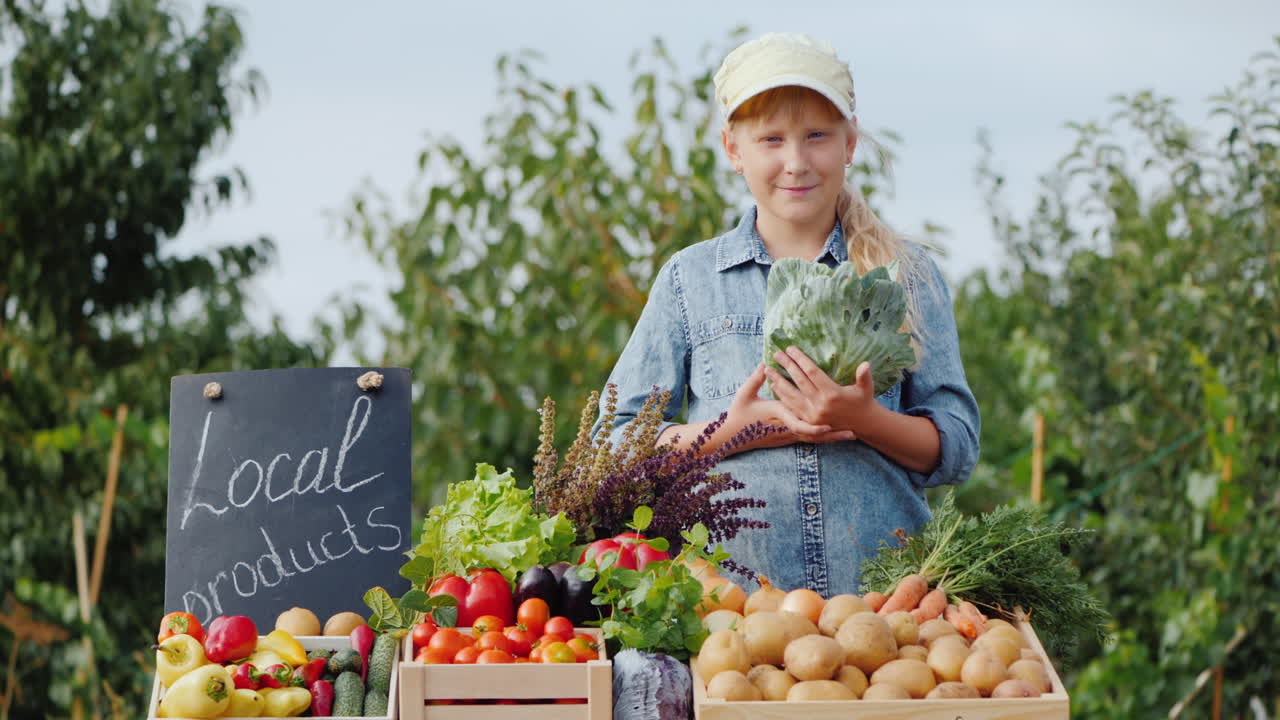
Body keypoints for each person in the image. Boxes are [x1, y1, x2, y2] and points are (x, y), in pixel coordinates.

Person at [594, 32, 980, 596]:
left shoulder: (905, 274)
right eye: (771, 139)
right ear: (733, 149)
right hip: (731, 618)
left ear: (849, 143)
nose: (795, 162)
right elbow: (614, 445)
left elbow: (957, 446)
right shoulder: (689, 280)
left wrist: (866, 419)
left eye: (816, 136)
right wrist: (736, 431)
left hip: (887, 615)